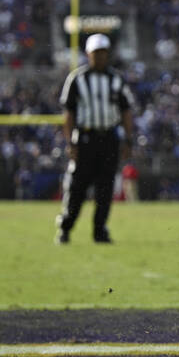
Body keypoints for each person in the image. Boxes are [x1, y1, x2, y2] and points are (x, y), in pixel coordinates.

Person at [56, 33, 135, 244]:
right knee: (77, 187)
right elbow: (69, 114)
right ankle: (66, 227)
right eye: (96, 53)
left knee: (105, 188)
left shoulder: (116, 79)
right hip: (85, 137)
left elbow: (126, 111)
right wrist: (70, 142)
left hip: (109, 138)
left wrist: (128, 139)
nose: (99, 57)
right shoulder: (77, 78)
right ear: (88, 54)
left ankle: (100, 231)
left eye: (103, 53)